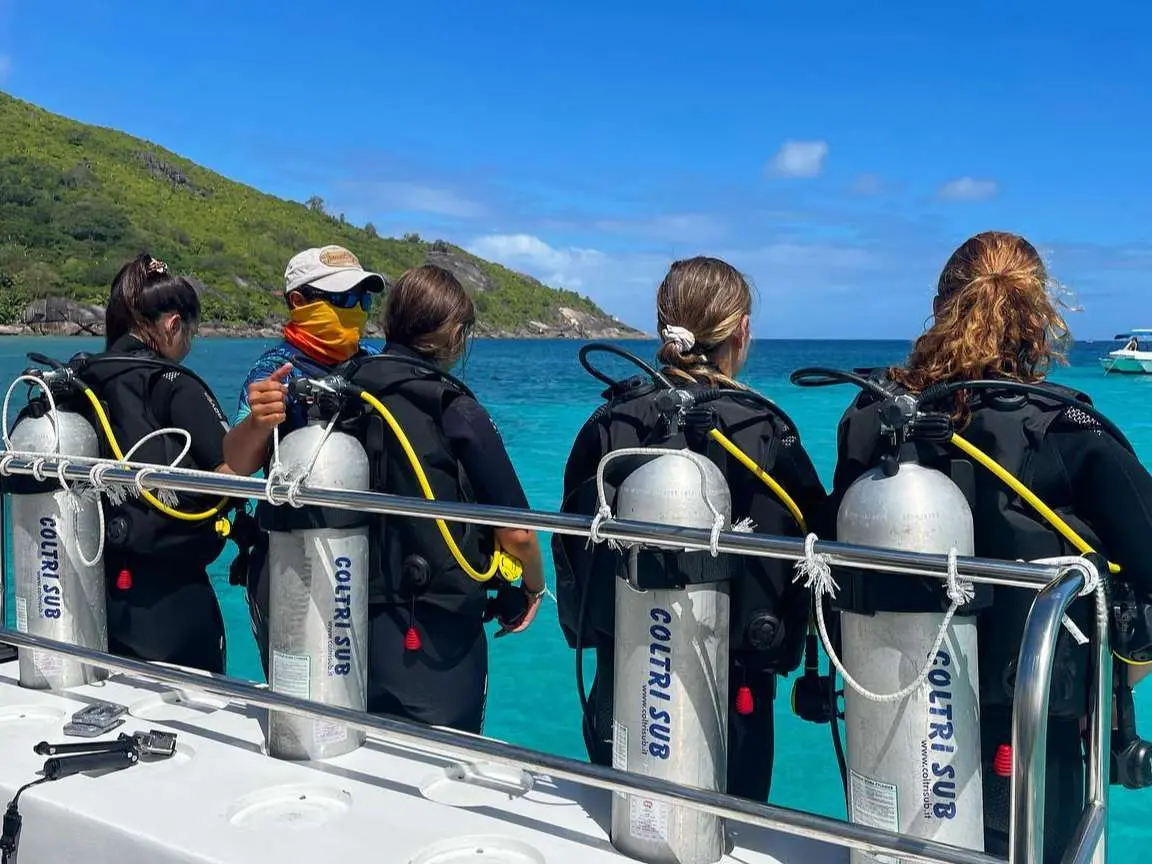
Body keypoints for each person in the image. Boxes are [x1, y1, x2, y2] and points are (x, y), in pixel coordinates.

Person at [830, 231, 1152, 859]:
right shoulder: (1064, 426)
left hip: (891, 702)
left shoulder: (873, 419)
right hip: (1029, 716)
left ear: (940, 308)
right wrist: (1127, 664)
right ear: (1039, 317)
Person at [554, 256, 828, 802]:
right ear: (742, 331)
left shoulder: (613, 421)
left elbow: (572, 542)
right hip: (737, 686)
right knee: (732, 823)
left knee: (620, 815)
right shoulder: (764, 429)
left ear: (663, 325)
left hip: (623, 668)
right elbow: (815, 539)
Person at [233, 261, 545, 734]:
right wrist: (534, 587)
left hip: (337, 605)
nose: (354, 309)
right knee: (437, 757)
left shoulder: (336, 389)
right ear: (456, 335)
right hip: (430, 630)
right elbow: (518, 533)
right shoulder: (453, 407)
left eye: (362, 301)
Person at [223, 244, 386, 668]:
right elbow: (238, 463)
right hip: (289, 555)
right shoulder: (273, 372)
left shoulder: (375, 365)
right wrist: (257, 422)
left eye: (363, 300)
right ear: (298, 301)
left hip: (367, 556)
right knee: (297, 680)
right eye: (342, 299)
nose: (356, 311)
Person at [81, 252, 236, 673]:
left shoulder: (84, 380)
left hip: (96, 590)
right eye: (191, 331)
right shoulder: (174, 383)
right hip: (174, 596)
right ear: (172, 325)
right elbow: (230, 470)